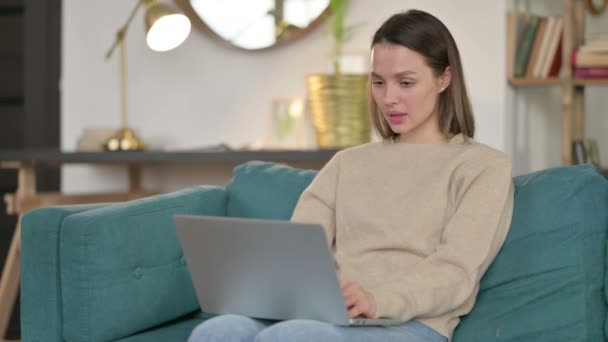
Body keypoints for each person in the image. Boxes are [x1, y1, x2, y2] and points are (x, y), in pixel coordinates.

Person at [188, 9, 514, 342]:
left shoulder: (483, 167)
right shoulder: (347, 164)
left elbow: (456, 272)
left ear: (444, 78)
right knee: (220, 329)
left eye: (406, 82)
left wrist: (376, 300)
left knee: (291, 337)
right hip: (328, 316)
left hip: (412, 324)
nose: (389, 98)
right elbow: (299, 251)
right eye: (378, 82)